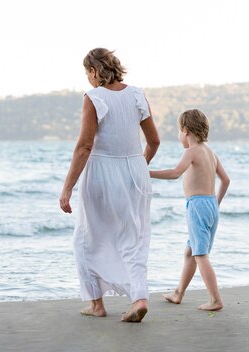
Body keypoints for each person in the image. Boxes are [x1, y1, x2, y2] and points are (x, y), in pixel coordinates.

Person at [60, 48, 160, 322]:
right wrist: (138, 168)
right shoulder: (137, 94)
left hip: (103, 171)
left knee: (86, 238)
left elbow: (84, 146)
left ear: (94, 71)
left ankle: (97, 304)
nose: (88, 79)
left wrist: (67, 188)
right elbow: (154, 142)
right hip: (136, 171)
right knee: (134, 238)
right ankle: (139, 298)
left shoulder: (94, 97)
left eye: (87, 73)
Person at [149, 109, 230, 311]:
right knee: (190, 251)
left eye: (179, 131)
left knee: (200, 254)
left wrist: (146, 173)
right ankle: (178, 293)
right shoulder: (211, 152)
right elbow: (225, 180)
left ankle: (215, 299)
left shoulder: (191, 151)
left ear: (185, 131)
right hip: (210, 204)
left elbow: (176, 173)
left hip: (197, 205)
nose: (179, 135)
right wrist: (215, 203)